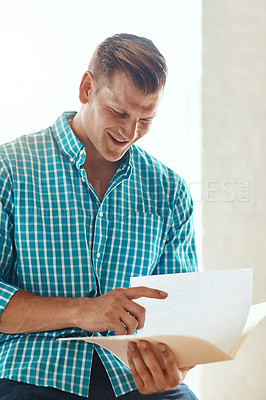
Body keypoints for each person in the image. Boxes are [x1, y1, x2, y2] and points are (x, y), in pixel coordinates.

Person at [0, 33, 198, 399]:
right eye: (119, 112)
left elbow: (183, 313)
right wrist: (84, 311)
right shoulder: (10, 168)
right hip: (33, 375)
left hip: (135, 381)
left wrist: (175, 368)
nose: (129, 132)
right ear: (87, 87)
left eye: (145, 120)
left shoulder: (169, 190)